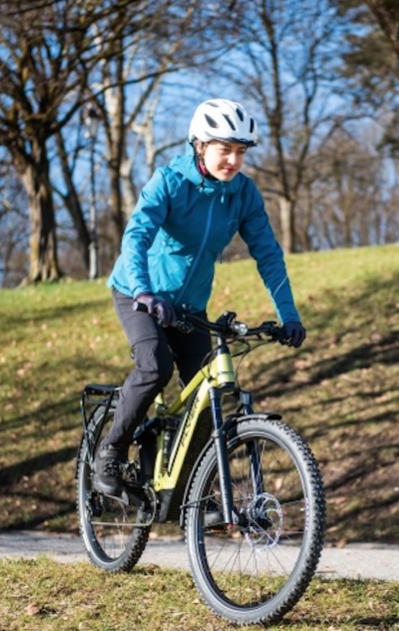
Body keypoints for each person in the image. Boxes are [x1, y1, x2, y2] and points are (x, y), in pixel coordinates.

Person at [95, 98, 306, 496]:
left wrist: (289, 315)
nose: (233, 160)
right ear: (200, 145)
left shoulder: (243, 194)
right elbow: (136, 236)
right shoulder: (169, 182)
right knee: (155, 366)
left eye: (240, 152)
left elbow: (269, 255)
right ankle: (110, 450)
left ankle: (199, 496)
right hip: (138, 293)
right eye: (224, 149)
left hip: (189, 308)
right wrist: (142, 290)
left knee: (205, 395)